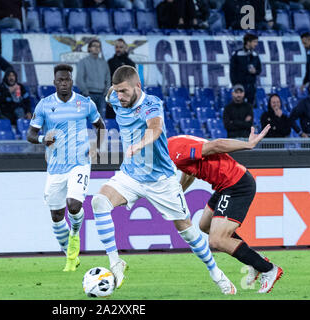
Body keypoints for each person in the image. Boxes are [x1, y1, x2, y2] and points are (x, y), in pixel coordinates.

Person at [91, 65, 236, 295]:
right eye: (117, 91)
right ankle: (115, 263)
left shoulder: (151, 104)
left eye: (125, 92)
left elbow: (155, 128)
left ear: (138, 86)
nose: (120, 97)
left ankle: (216, 272)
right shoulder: (114, 97)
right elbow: (113, 92)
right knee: (99, 202)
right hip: (130, 175)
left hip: (161, 180)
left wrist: (139, 144)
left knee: (187, 231)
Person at [167, 124, 284, 294]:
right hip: (225, 185)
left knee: (217, 240)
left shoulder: (174, 151)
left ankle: (269, 269)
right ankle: (255, 261)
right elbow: (189, 171)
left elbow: (216, 145)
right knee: (205, 225)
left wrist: (247, 144)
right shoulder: (172, 147)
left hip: (237, 184)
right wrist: (178, 193)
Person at [26, 64, 106, 272]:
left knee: (74, 205)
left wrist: (96, 147)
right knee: (56, 216)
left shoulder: (85, 103)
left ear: (72, 81)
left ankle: (74, 236)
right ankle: (70, 256)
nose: (64, 83)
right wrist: (44, 138)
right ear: (54, 82)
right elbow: (31, 135)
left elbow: (100, 127)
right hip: (55, 167)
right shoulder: (44, 105)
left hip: (79, 163)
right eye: (60, 80)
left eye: (67, 80)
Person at [76, 39, 110, 119]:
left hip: (101, 95)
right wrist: (86, 92)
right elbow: (79, 79)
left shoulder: (104, 63)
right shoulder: (83, 62)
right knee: (86, 120)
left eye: (98, 46)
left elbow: (108, 78)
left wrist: (106, 92)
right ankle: (86, 132)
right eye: (94, 46)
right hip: (88, 95)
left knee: (101, 120)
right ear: (89, 48)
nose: (96, 48)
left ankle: (101, 132)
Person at [229, 33, 262, 106]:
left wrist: (255, 71)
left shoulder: (255, 55)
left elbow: (259, 69)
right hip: (239, 87)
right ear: (248, 42)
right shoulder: (237, 54)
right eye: (254, 42)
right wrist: (235, 86)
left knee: (251, 107)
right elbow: (232, 71)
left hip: (251, 87)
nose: (256, 44)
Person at [107, 39, 136, 119]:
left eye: (121, 47)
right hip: (113, 95)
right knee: (111, 120)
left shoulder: (130, 63)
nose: (118, 49)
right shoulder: (110, 62)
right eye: (116, 47)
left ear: (125, 48)